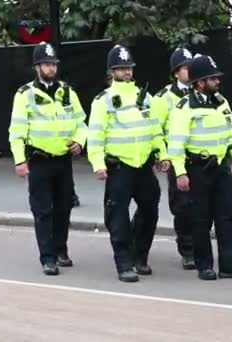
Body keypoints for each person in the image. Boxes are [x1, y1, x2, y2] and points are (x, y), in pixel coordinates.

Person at [167, 54, 232, 281]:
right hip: (197, 169)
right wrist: (180, 172)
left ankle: (228, 264)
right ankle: (204, 265)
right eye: (212, 79)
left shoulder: (221, 102)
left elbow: (228, 132)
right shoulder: (184, 107)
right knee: (200, 219)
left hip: (220, 168)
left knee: (227, 217)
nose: (217, 82)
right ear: (199, 82)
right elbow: (176, 144)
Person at [87, 45, 169, 283]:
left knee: (150, 210)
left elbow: (155, 130)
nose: (126, 72)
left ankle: (139, 255)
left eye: (129, 68)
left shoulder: (146, 97)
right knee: (118, 216)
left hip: (143, 165)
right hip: (119, 166)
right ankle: (124, 263)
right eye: (121, 68)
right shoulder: (103, 101)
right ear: (112, 71)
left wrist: (161, 154)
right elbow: (96, 134)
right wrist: (97, 163)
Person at [8, 42, 88, 275]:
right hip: (39, 160)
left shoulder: (67, 91)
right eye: (47, 64)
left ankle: (61, 249)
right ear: (37, 67)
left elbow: (80, 122)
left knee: (64, 207)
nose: (51, 68)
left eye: (53, 64)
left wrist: (80, 140)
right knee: (43, 211)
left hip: (63, 160)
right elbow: (17, 130)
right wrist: (19, 160)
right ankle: (48, 257)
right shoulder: (25, 94)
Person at [152, 47, 196, 270]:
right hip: (176, 159)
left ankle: (200, 247)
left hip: (200, 157)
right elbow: (156, 130)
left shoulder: (201, 93)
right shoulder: (163, 98)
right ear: (176, 72)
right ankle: (187, 251)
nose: (190, 71)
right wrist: (163, 156)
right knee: (182, 206)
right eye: (185, 67)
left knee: (202, 206)